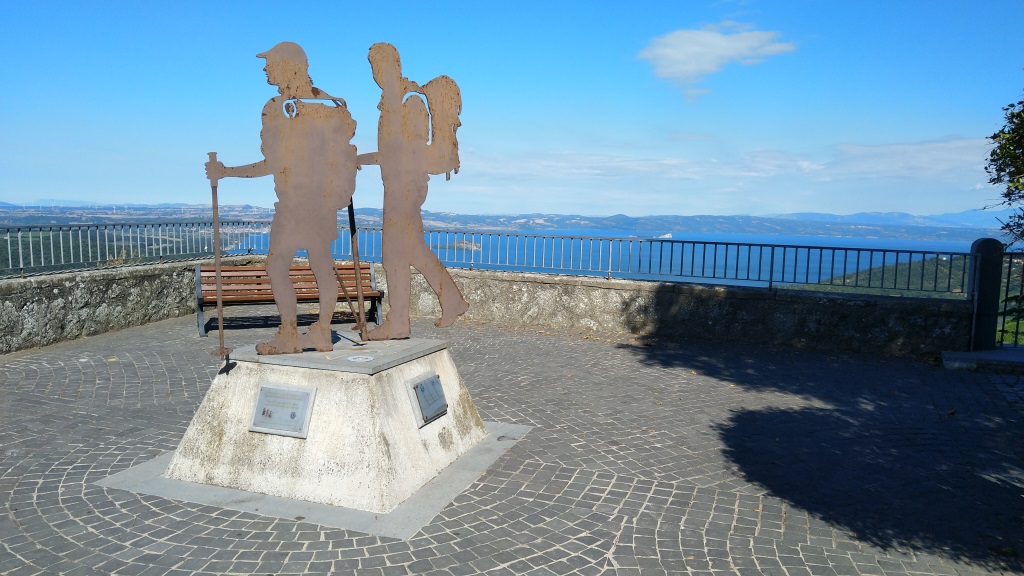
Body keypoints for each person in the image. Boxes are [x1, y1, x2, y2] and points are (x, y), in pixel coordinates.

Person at [206, 42, 357, 354]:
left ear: (289, 65)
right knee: (321, 265)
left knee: (277, 266)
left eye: (271, 62)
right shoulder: (330, 105)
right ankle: (322, 331)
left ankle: (290, 334)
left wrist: (227, 172)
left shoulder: (278, 108)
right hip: (322, 203)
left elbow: (273, 164)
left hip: (295, 204)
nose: (265, 68)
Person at [357, 43, 468, 340]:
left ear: (394, 65)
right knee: (411, 251)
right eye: (373, 67)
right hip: (397, 186)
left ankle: (399, 321)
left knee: (394, 255)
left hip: (406, 188)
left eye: (380, 66)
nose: (376, 73)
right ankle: (449, 302)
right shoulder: (393, 101)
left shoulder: (409, 100)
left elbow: (407, 153)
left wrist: (363, 158)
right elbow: (393, 153)